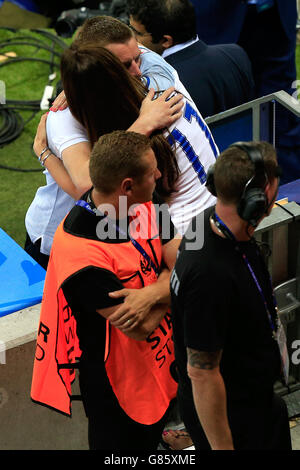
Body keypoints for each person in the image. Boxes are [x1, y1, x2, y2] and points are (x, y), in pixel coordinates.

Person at [26, 15, 217, 268]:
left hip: (134, 232)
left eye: (137, 58)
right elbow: (88, 186)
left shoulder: (141, 79)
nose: (138, 70)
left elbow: (104, 197)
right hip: (57, 236)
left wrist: (43, 152)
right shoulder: (66, 118)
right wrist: (144, 124)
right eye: (126, 65)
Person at [31, 130, 181, 450]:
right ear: (127, 185)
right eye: (151, 171)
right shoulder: (80, 254)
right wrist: (172, 284)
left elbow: (182, 261)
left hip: (162, 366)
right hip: (119, 392)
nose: (157, 175)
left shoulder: (145, 199)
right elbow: (139, 327)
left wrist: (151, 295)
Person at [170, 140, 292, 450]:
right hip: (235, 423)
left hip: (258, 403)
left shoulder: (212, 222)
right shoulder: (209, 275)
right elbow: (201, 373)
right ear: (259, 196)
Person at [189, 0, 300, 184]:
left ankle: (287, 190)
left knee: (281, 109)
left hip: (276, 14)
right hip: (216, 20)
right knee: (223, 114)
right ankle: (232, 189)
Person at [127, 0, 255, 118]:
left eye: (136, 32)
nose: (130, 36)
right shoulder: (236, 53)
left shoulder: (162, 84)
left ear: (166, 40)